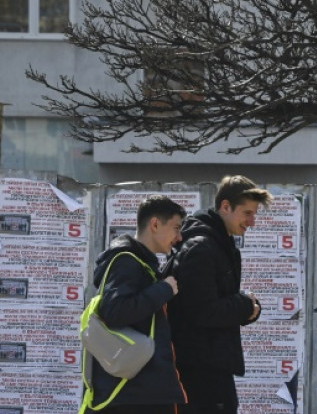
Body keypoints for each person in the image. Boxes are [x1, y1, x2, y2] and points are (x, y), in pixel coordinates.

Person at [166, 175, 273, 414]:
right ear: (226, 207)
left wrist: (247, 309)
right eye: (247, 213)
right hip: (200, 372)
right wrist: (245, 305)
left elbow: (215, 304)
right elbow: (202, 312)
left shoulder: (218, 244)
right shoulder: (202, 248)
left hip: (211, 367)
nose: (252, 222)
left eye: (254, 214)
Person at [84, 195, 187, 413]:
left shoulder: (142, 264)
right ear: (155, 224)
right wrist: (164, 290)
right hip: (133, 396)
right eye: (176, 228)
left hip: (140, 392)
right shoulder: (126, 262)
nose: (179, 237)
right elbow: (114, 310)